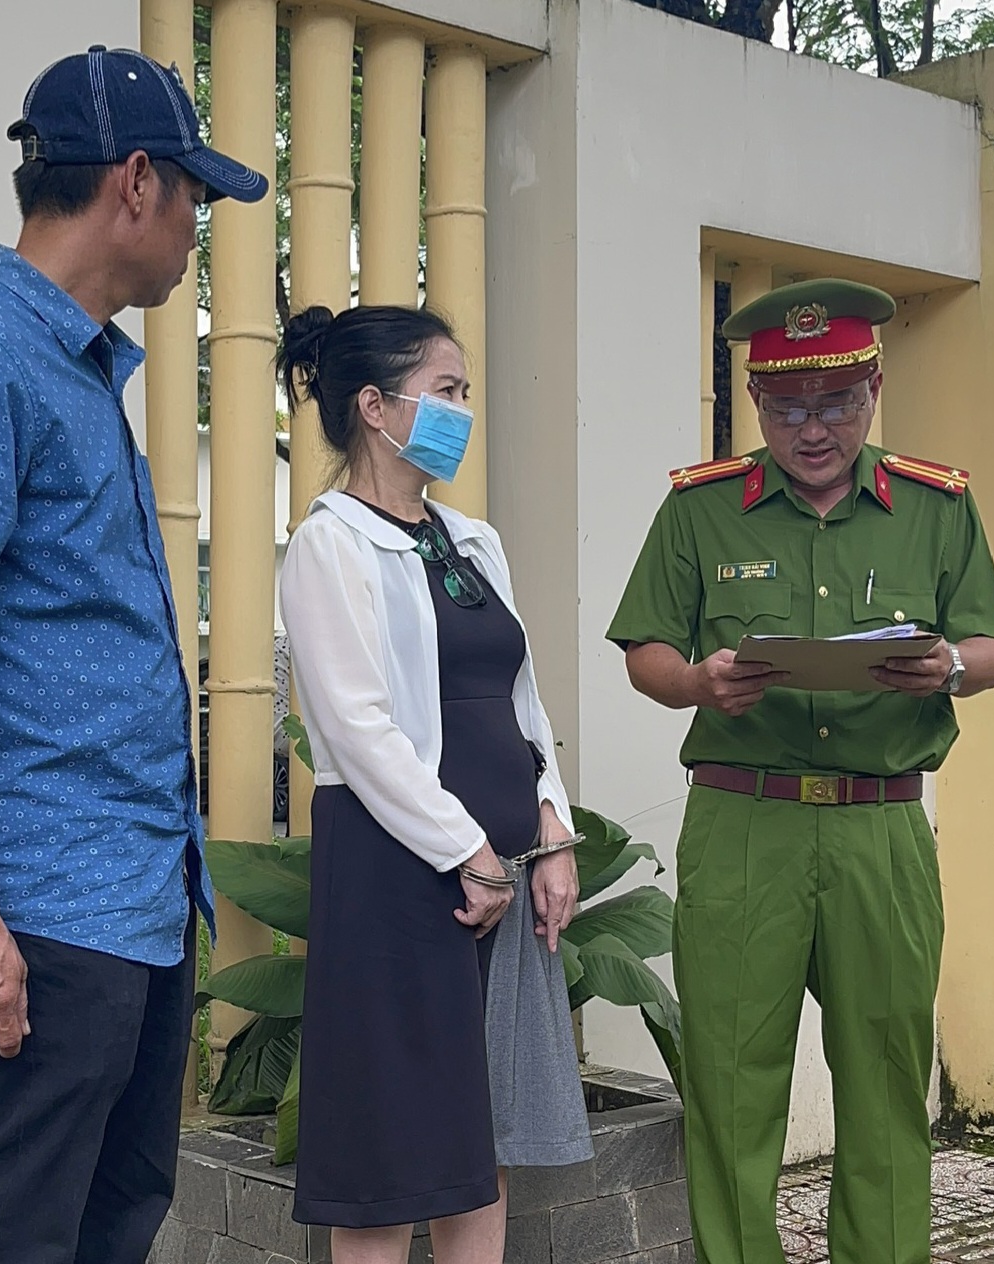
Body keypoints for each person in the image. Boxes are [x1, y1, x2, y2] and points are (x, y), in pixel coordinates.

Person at [0, 47, 266, 1264]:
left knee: (108, 1225)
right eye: (192, 192)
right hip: (38, 917)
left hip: (134, 902)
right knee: (4, 1239)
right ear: (134, 183)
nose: (197, 223)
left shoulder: (79, 367)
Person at [607, 279, 994, 1264]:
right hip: (746, 824)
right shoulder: (699, 511)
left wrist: (947, 666)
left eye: (834, 400)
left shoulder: (933, 505)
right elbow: (644, 651)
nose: (812, 427)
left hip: (881, 829)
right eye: (786, 406)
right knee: (732, 1085)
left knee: (882, 1084)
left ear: (872, 387)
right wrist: (700, 682)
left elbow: (991, 644)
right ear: (755, 403)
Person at [277, 305, 593, 1264]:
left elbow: (520, 702)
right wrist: (469, 853)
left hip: (499, 874)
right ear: (375, 406)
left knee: (478, 1142)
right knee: (387, 1159)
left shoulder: (473, 542)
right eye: (445, 392)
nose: (462, 410)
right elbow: (358, 729)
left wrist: (552, 828)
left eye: (463, 392)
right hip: (400, 879)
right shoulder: (328, 546)